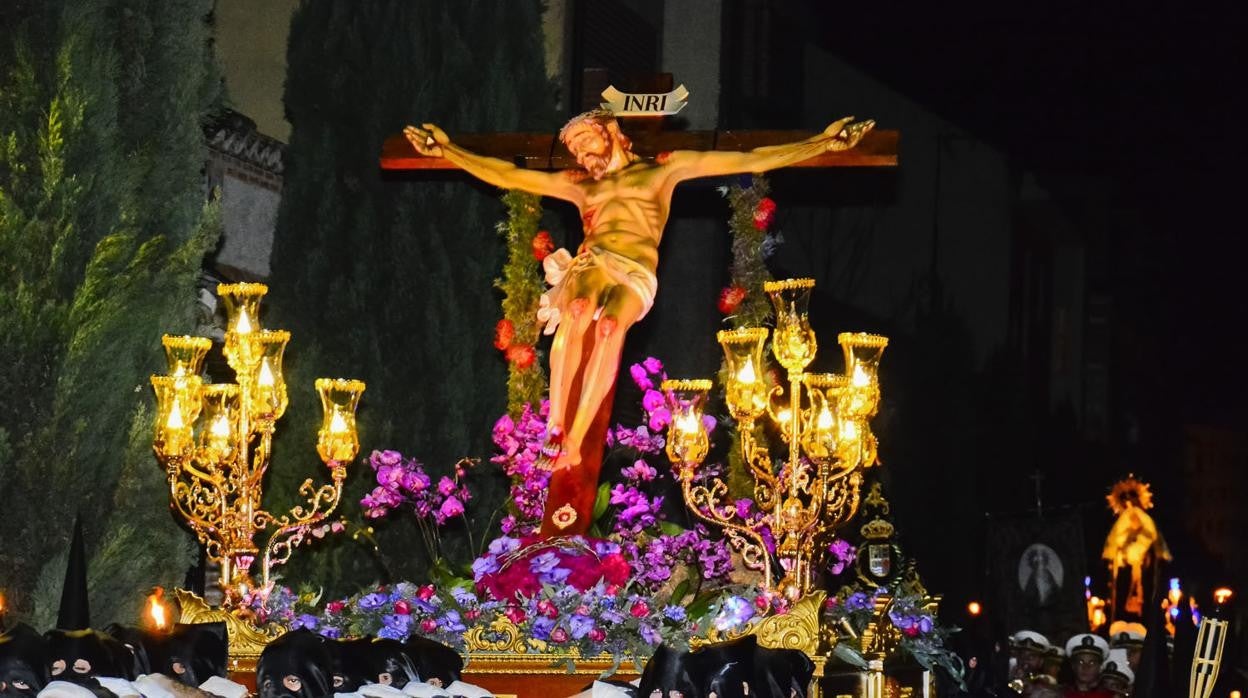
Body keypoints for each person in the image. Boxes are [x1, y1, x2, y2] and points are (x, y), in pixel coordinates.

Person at [405, 112, 873, 533]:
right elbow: (509, 173)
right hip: (591, 263)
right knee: (575, 312)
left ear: (611, 131)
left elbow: (748, 157)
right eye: (574, 151)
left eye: (587, 142)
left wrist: (822, 143)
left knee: (610, 327)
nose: (583, 156)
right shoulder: (579, 185)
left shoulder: (663, 170)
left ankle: (578, 434)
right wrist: (447, 150)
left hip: (634, 271)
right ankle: (556, 429)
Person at [1063, 634, 1112, 698]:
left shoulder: (1111, 696)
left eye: (1092, 663)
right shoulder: (1061, 694)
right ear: (1073, 665)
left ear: (1100, 667)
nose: (1086, 667)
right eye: (1081, 662)